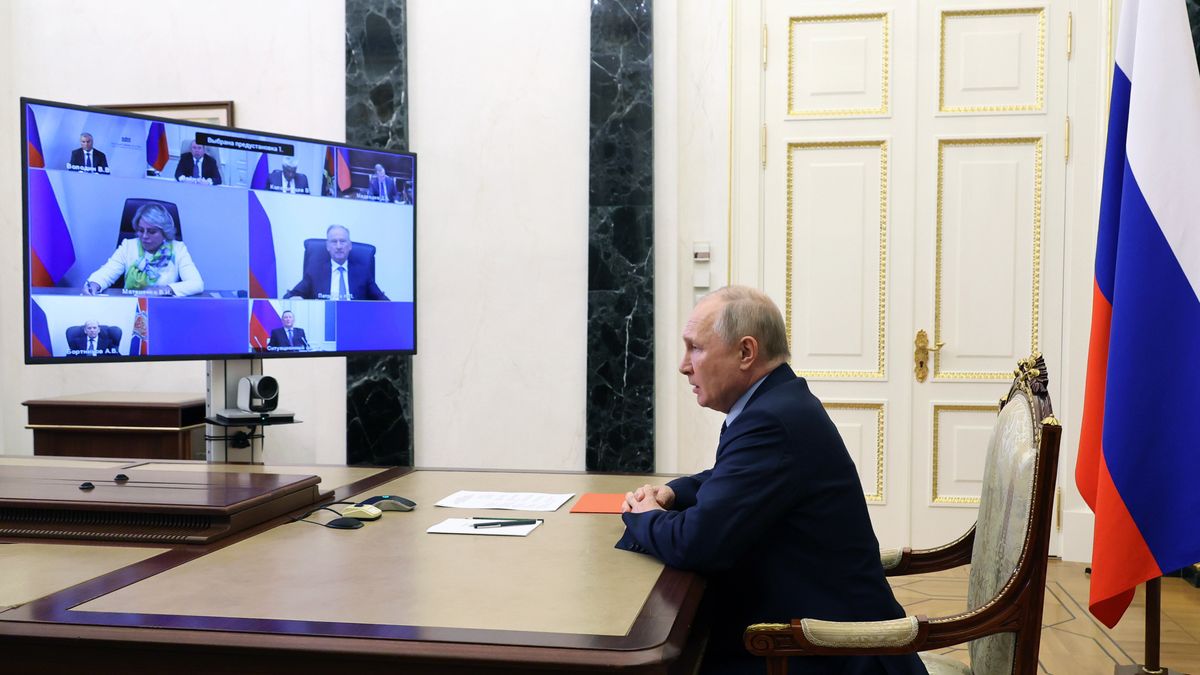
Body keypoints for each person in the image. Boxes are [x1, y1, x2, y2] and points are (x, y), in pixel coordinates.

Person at [617, 286, 926, 675]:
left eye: (695, 348)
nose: (684, 365)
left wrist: (644, 515)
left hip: (830, 652)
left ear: (746, 352)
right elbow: (733, 478)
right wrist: (673, 492)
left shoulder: (771, 420)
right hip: (808, 632)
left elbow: (696, 545)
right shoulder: (777, 402)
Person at [83, 202, 204, 297]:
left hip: (163, 308)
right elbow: (107, 271)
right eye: (141, 230)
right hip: (129, 306)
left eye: (152, 231)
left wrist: (164, 289)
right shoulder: (128, 246)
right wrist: (94, 284)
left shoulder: (178, 249)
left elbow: (196, 284)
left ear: (165, 232)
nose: (145, 236)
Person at [283, 224, 388, 300]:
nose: (338, 246)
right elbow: (290, 296)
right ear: (327, 246)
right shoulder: (315, 272)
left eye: (342, 241)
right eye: (334, 242)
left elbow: (384, 301)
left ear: (350, 246)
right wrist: (295, 299)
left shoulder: (362, 272)